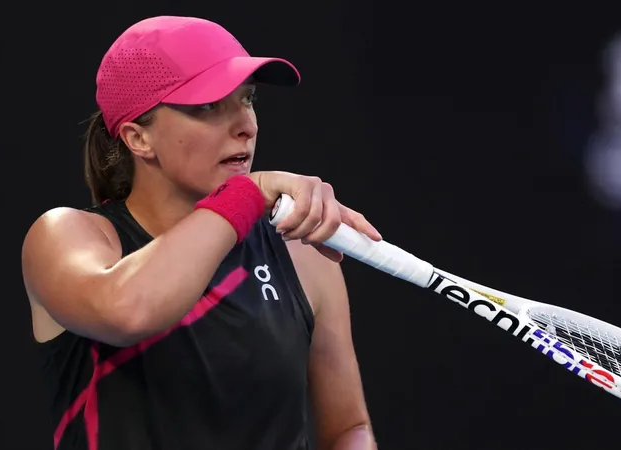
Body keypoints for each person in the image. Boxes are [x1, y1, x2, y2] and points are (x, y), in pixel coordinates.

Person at [21, 15, 380, 450]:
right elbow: (128, 311)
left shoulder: (300, 253)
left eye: (247, 99)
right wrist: (247, 194)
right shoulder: (66, 235)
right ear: (138, 138)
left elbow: (348, 429)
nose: (246, 125)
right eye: (208, 106)